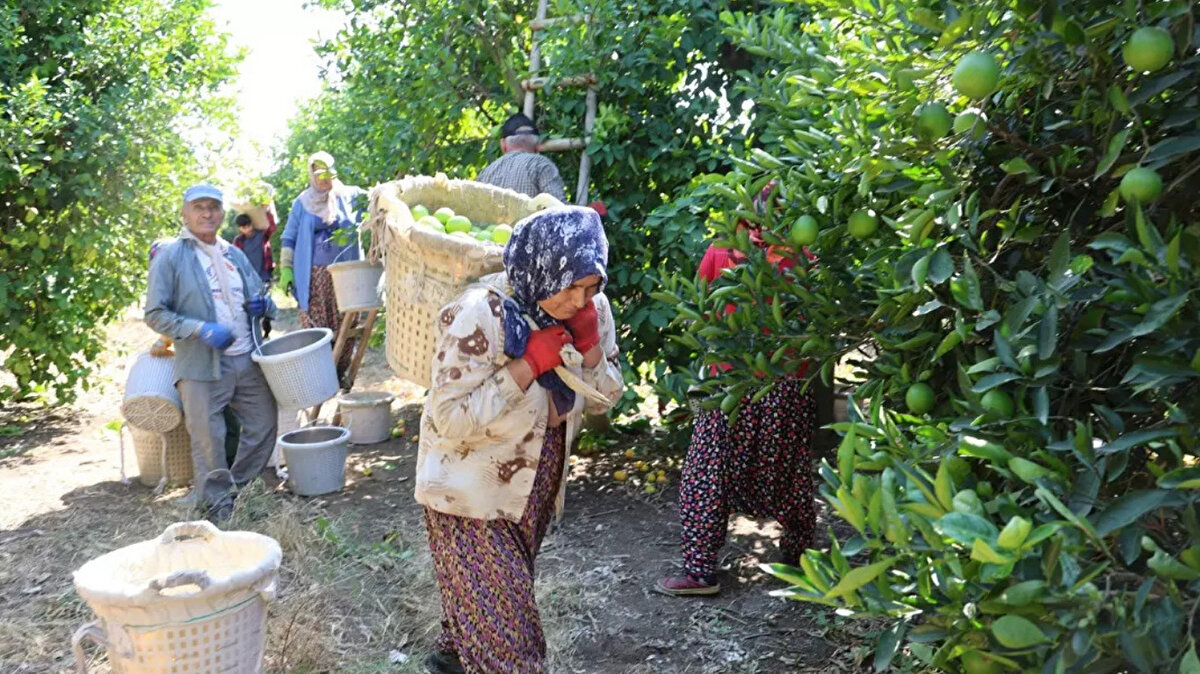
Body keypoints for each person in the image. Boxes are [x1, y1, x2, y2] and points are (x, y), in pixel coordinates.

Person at [417, 206, 624, 673]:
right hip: (467, 493)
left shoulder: (592, 311)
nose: (579, 299)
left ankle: (450, 660)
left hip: (533, 479)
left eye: (591, 286)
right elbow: (447, 418)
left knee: (491, 601)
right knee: (513, 647)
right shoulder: (480, 312)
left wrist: (590, 348)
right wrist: (526, 367)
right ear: (540, 268)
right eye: (570, 285)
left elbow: (605, 399)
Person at [656, 181, 818, 597]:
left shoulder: (723, 252)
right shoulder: (803, 257)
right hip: (785, 385)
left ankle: (700, 569)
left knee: (708, 472)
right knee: (788, 467)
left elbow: (701, 309)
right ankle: (798, 553)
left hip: (730, 384)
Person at [144, 184, 278, 523]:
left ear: (222, 214)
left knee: (263, 424)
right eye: (199, 207)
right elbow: (155, 313)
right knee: (208, 440)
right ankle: (218, 508)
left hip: (246, 358)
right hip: (200, 364)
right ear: (185, 214)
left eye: (214, 207)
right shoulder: (172, 257)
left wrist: (265, 306)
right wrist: (200, 329)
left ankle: (240, 489)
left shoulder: (233, 254)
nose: (207, 214)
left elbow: (263, 296)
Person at [279, 151, 366, 383]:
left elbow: (377, 201)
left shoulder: (350, 196)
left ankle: (338, 372)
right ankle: (319, 376)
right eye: (317, 172)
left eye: (326, 171)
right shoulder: (302, 203)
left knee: (346, 322)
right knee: (316, 325)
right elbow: (288, 237)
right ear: (311, 174)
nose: (322, 177)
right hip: (313, 276)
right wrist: (286, 269)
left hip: (346, 273)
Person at [475, 112, 566, 202]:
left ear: (503, 144)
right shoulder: (541, 165)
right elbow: (559, 209)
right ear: (537, 144)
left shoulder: (486, 173)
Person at [232, 212, 277, 337]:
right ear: (239, 228)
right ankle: (254, 333)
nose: (246, 228)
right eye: (243, 227)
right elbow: (233, 257)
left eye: (247, 225)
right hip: (248, 279)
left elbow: (272, 227)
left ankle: (267, 328)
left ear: (251, 224)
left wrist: (266, 211)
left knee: (265, 304)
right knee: (252, 306)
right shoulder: (238, 241)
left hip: (264, 276)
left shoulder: (262, 235)